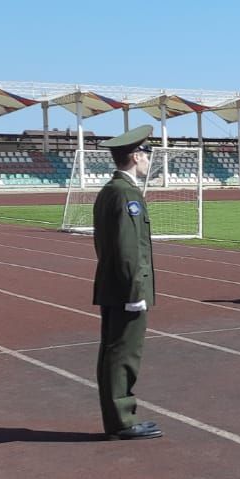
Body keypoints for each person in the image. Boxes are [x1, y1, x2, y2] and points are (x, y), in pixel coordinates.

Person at [92, 125, 161, 440]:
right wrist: (135, 290)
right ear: (135, 155)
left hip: (114, 285)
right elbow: (127, 247)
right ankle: (121, 419)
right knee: (123, 353)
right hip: (125, 289)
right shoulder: (126, 193)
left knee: (115, 351)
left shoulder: (111, 190)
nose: (148, 159)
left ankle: (120, 416)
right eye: (146, 153)